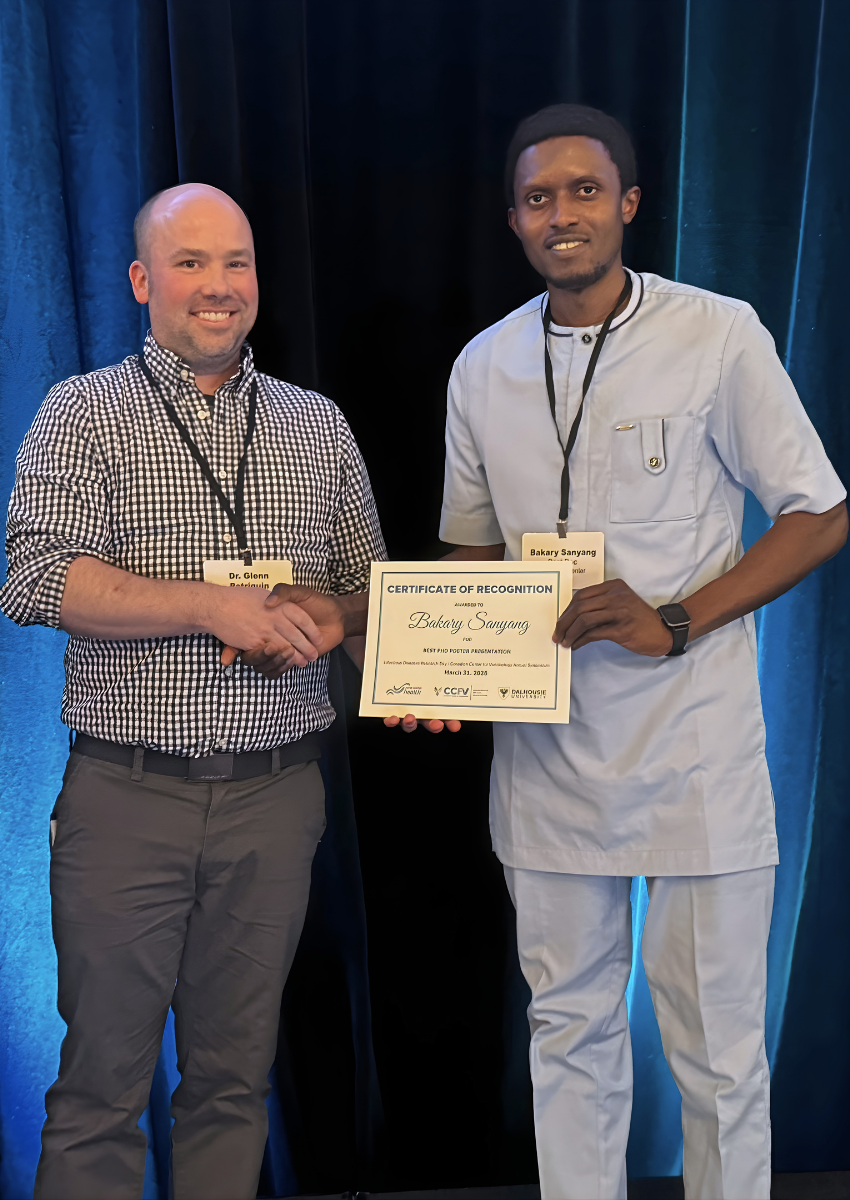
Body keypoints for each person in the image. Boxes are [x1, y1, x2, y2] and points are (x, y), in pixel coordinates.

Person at [388, 105, 848, 1199]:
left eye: (585, 190)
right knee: (570, 1040)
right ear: (514, 219)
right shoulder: (482, 366)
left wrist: (675, 618)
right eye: (539, 197)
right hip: (546, 758)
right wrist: (426, 661)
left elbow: (818, 513)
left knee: (719, 1055)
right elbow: (471, 556)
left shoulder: (718, 334)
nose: (563, 213)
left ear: (629, 203)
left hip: (694, 753)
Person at [0, 183, 381, 1200]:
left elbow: (364, 594)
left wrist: (396, 658)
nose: (219, 285)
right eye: (191, 262)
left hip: (276, 799)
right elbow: (36, 577)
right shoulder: (83, 411)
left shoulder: (318, 426)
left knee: (232, 1085)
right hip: (128, 799)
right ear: (142, 280)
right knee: (99, 1092)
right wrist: (213, 608)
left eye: (236, 262)